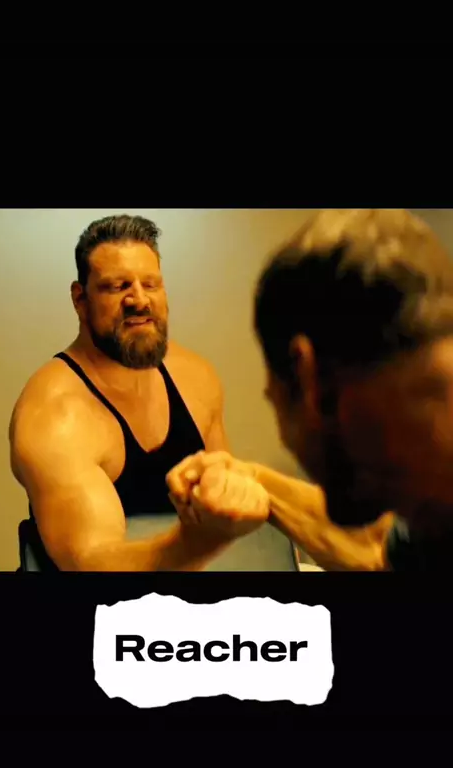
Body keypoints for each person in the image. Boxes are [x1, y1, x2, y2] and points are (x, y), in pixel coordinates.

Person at [167, 209, 453, 570]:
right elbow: (377, 554)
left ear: (307, 378)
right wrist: (250, 479)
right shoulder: (431, 510)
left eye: (276, 403)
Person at [10, 214, 270, 571]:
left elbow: (224, 500)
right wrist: (197, 542)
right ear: (80, 299)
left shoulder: (196, 378)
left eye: (150, 284)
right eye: (117, 287)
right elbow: (92, 564)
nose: (139, 300)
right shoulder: (55, 416)